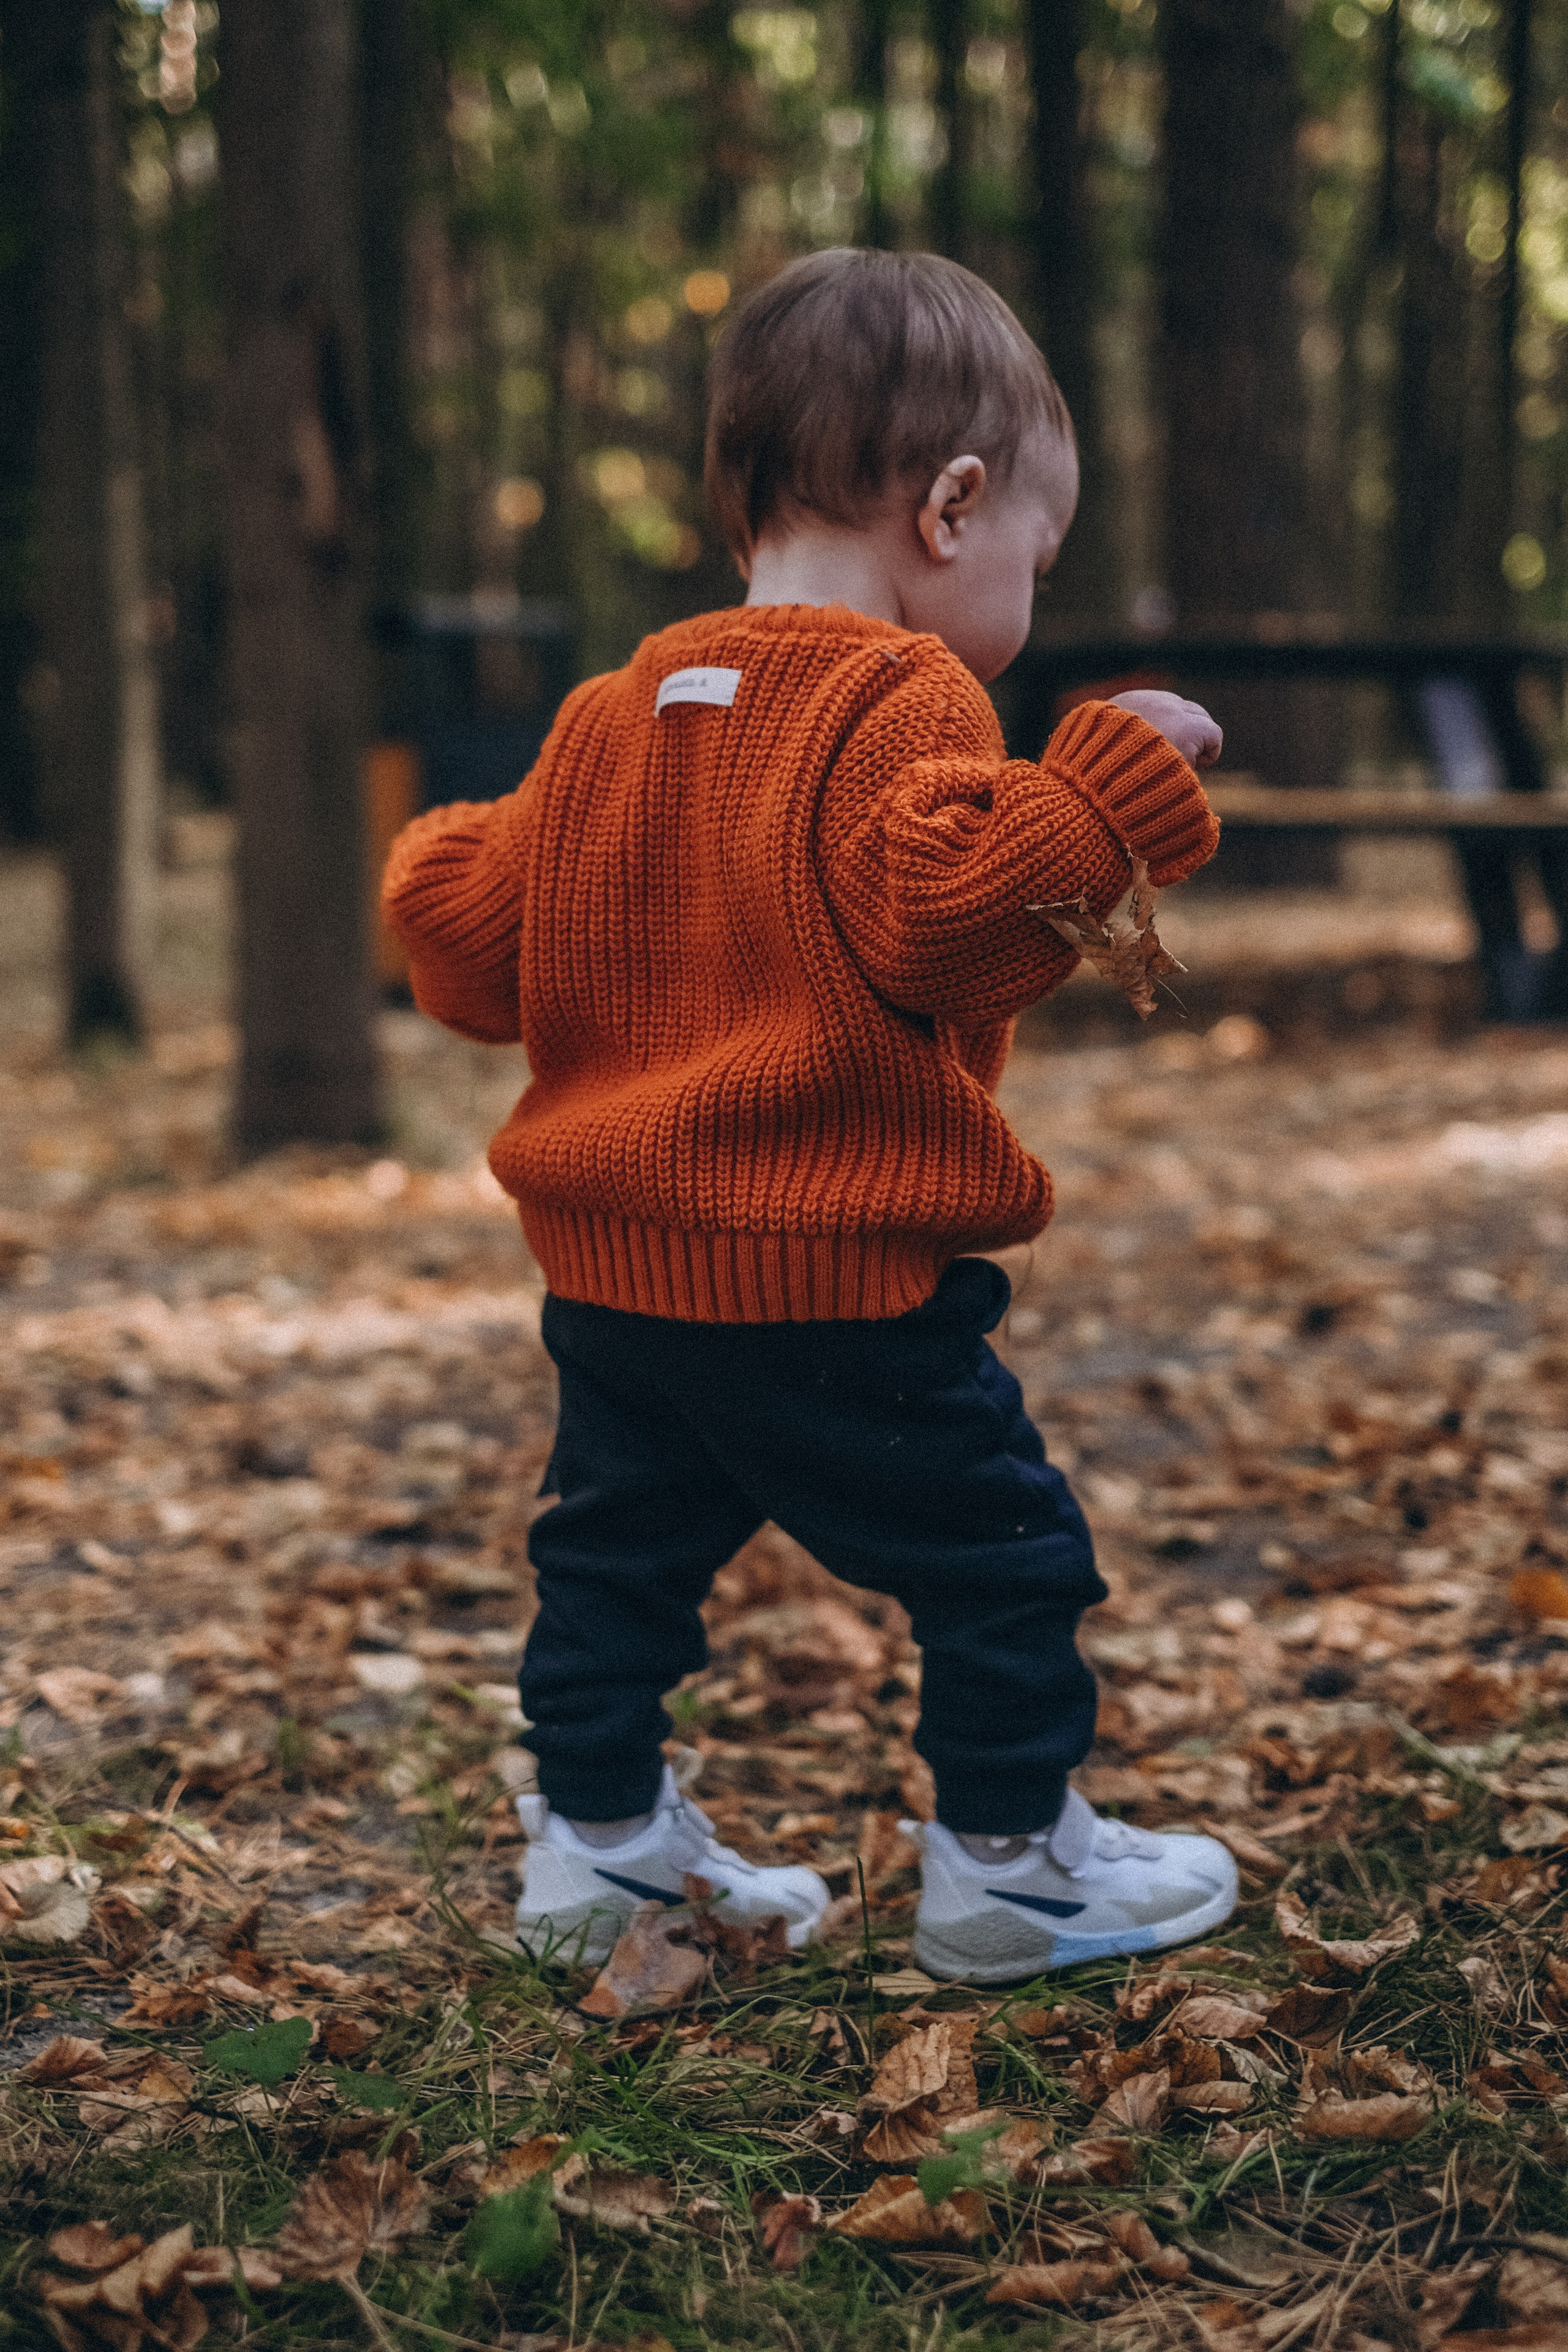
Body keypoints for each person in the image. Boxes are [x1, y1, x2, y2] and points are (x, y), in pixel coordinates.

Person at [383, 247, 1237, 1985]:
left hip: (620, 1284)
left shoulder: (613, 712)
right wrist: (1100, 794)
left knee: (614, 1562)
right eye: (1033, 557)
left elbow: (468, 948)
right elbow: (948, 930)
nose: (1026, 591)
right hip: (830, 1278)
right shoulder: (900, 696)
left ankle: (598, 1850)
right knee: (1005, 1555)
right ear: (953, 503)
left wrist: (438, 859)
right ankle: (1009, 1865)